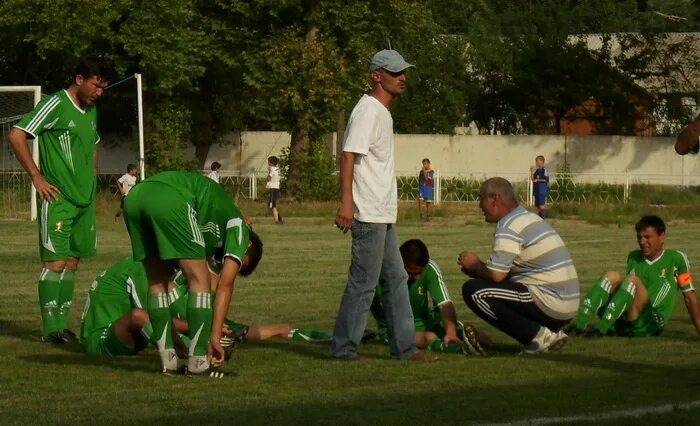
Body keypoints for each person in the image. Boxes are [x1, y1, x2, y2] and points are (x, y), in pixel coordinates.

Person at [332, 49, 434, 362]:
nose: (402, 77)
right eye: (394, 72)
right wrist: (347, 203)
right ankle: (343, 350)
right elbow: (348, 155)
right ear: (377, 75)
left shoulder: (382, 112)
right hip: (368, 214)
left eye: (403, 72)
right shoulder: (367, 111)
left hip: (383, 214)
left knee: (398, 278)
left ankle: (403, 349)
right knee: (363, 284)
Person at [7, 58, 111, 344]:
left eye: (104, 88)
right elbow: (17, 135)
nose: (99, 92)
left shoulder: (92, 111)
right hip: (58, 198)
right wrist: (37, 178)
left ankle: (64, 327)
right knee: (54, 262)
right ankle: (50, 330)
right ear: (79, 78)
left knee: (72, 262)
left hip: (84, 201)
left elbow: (93, 145)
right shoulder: (56, 104)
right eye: (96, 85)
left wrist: (93, 180)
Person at [123, 171, 263, 377]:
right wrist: (214, 337)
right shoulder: (240, 225)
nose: (230, 262)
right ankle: (198, 362)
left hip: (134, 197)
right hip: (170, 198)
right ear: (248, 244)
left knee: (157, 281)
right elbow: (225, 284)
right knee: (200, 281)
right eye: (241, 260)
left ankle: (169, 361)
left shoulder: (213, 224)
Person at [459, 177, 579, 354]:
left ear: (495, 199)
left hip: (550, 302)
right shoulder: (529, 217)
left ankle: (538, 338)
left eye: (481, 198)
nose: (479, 205)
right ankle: (546, 333)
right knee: (497, 289)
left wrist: (474, 265)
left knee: (475, 292)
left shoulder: (508, 226)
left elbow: (496, 276)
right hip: (566, 306)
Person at [566, 215, 700, 338]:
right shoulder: (634, 257)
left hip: (652, 321)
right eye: (639, 237)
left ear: (662, 236)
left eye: (647, 237)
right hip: (629, 319)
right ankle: (580, 324)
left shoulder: (676, 259)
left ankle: (602, 328)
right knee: (612, 275)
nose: (642, 242)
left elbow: (690, 298)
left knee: (632, 280)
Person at [369, 239, 487, 355]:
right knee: (428, 337)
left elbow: (444, 304)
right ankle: (463, 349)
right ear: (399, 263)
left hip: (428, 321)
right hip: (395, 329)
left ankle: (469, 343)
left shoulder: (430, 268)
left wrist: (451, 332)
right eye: (413, 273)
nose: (418, 278)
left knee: (483, 339)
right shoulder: (378, 273)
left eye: (421, 272)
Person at [80, 256, 154, 356]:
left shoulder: (138, 262)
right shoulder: (139, 269)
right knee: (139, 316)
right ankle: (172, 351)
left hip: (120, 333)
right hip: (98, 339)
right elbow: (154, 317)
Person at [266, 156, 283, 224]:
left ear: (271, 163)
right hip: (277, 188)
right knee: (270, 205)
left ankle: (277, 221)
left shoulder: (272, 169)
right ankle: (279, 218)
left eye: (268, 162)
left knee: (272, 205)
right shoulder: (278, 169)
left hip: (273, 188)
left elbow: (269, 178)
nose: (267, 163)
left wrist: (269, 172)